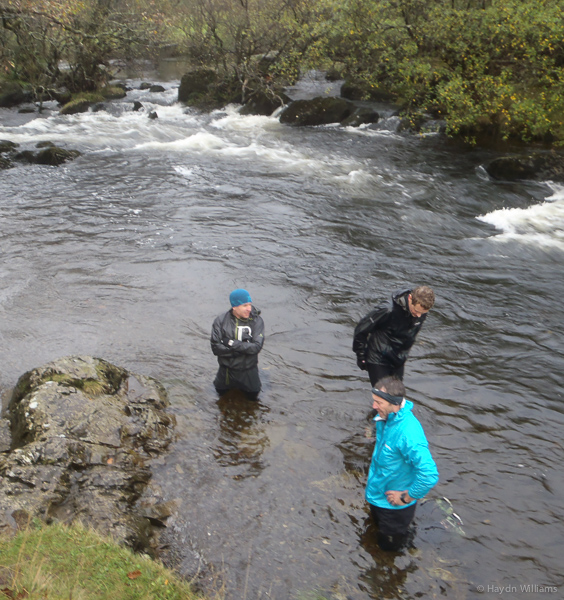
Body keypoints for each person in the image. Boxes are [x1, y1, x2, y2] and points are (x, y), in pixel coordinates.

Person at [366, 376, 439, 551]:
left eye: (379, 402)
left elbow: (429, 475)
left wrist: (406, 497)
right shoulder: (387, 418)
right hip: (378, 494)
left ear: (394, 403)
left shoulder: (409, 433)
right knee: (374, 532)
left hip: (394, 508)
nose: (374, 407)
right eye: (373, 401)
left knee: (389, 550)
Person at [353, 286, 435, 385]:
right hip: (378, 358)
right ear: (410, 298)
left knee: (396, 398)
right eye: (416, 311)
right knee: (383, 397)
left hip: (398, 360)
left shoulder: (421, 311)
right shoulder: (387, 310)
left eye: (423, 313)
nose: (419, 316)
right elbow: (361, 330)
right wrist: (361, 355)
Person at [210, 289, 265, 399]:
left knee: (253, 400)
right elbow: (216, 348)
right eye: (245, 305)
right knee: (220, 396)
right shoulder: (220, 321)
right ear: (234, 307)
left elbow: (256, 347)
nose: (249, 308)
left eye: (250, 304)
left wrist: (230, 343)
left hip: (249, 371)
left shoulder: (257, 321)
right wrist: (242, 350)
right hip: (226, 371)